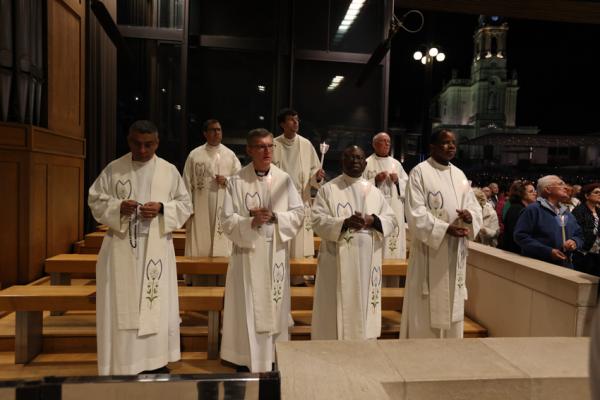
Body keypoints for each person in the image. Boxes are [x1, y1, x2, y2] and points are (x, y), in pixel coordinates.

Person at [88, 120, 192, 375]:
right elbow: (95, 200)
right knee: (121, 304)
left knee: (156, 304)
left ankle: (155, 361)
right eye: (137, 144)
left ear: (157, 143)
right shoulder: (114, 169)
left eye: (148, 144)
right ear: (129, 140)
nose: (143, 150)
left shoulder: (168, 171)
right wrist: (118, 207)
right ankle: (122, 362)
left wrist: (162, 208)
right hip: (120, 246)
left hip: (156, 248)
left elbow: (185, 205)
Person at [220, 128, 304, 373]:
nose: (267, 151)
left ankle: (274, 357)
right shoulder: (237, 181)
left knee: (275, 305)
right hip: (247, 252)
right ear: (249, 150)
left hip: (275, 252)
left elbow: (299, 213)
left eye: (270, 146)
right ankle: (246, 358)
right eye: (260, 146)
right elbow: (226, 221)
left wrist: (276, 217)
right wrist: (251, 222)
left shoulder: (284, 179)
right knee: (247, 305)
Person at [400, 129, 482, 339]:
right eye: (445, 142)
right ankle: (422, 349)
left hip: (455, 251)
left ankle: (450, 349)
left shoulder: (459, 175)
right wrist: (445, 229)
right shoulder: (420, 172)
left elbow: (474, 206)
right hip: (430, 251)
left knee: (452, 301)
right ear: (432, 147)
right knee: (426, 306)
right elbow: (415, 213)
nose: (451, 146)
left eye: (453, 142)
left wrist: (470, 216)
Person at [311, 145, 396, 340]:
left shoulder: (374, 192)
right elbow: (317, 220)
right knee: (335, 311)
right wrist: (344, 223)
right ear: (342, 161)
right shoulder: (328, 190)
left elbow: (391, 219)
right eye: (350, 157)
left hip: (367, 263)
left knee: (364, 307)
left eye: (359, 158)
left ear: (365, 164)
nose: (355, 161)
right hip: (336, 262)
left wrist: (372, 220)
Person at [182, 119, 241, 285]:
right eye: (213, 130)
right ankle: (198, 281)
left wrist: (227, 180)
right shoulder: (195, 155)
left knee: (222, 242)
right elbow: (185, 183)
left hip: (223, 206)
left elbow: (240, 181)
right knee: (201, 243)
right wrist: (187, 208)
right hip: (200, 207)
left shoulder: (230, 155)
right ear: (205, 133)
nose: (217, 133)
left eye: (219, 130)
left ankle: (222, 282)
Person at [272, 108, 325, 283]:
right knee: (282, 241)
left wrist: (317, 176)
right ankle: (279, 276)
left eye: (297, 119)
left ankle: (299, 279)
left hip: (301, 201)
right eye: (291, 119)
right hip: (280, 203)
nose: (295, 122)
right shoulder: (273, 145)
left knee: (299, 242)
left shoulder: (306, 144)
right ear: (282, 124)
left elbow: (314, 170)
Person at [514, 175, 583, 267]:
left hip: (565, 267)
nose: (566, 187)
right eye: (560, 184)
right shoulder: (533, 210)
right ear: (548, 189)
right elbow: (521, 236)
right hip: (539, 266)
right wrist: (548, 252)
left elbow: (579, 235)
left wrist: (574, 242)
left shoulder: (567, 213)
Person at [363, 132, 408, 270]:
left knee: (392, 247)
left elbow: (408, 186)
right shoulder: (367, 163)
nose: (387, 144)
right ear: (374, 144)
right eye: (383, 141)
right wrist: (375, 180)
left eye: (388, 141)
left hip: (394, 208)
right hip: (375, 210)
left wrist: (398, 181)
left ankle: (392, 279)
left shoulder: (396, 164)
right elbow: (359, 187)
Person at [571, 183, 600, 276]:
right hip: (584, 253)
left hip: (597, 253)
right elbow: (579, 233)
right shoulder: (579, 211)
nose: (599, 194)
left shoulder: (598, 211)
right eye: (596, 192)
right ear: (587, 196)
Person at [500, 180, 537, 254]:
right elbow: (516, 236)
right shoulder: (516, 209)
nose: (535, 193)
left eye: (535, 191)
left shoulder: (522, 208)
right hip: (513, 254)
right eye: (531, 191)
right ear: (521, 194)